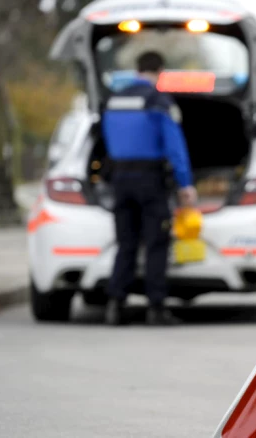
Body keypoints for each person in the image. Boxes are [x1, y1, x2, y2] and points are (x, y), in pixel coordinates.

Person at [102, 51, 197, 326]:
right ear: (160, 71)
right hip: (150, 180)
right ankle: (156, 308)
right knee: (156, 242)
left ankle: (115, 305)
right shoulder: (158, 101)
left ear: (137, 69)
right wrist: (185, 183)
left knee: (126, 243)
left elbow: (107, 140)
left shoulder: (114, 101)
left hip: (120, 179)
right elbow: (174, 147)